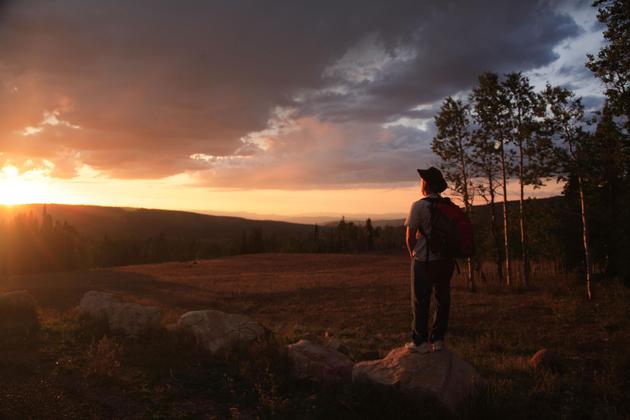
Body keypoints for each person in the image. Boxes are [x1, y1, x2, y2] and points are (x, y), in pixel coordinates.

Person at [404, 167, 455, 354]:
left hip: (424, 261)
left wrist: (413, 254)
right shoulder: (448, 206)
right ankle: (438, 340)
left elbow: (409, 237)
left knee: (420, 300)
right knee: (443, 299)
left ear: (425, 184)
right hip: (446, 261)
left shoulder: (419, 206)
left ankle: (420, 342)